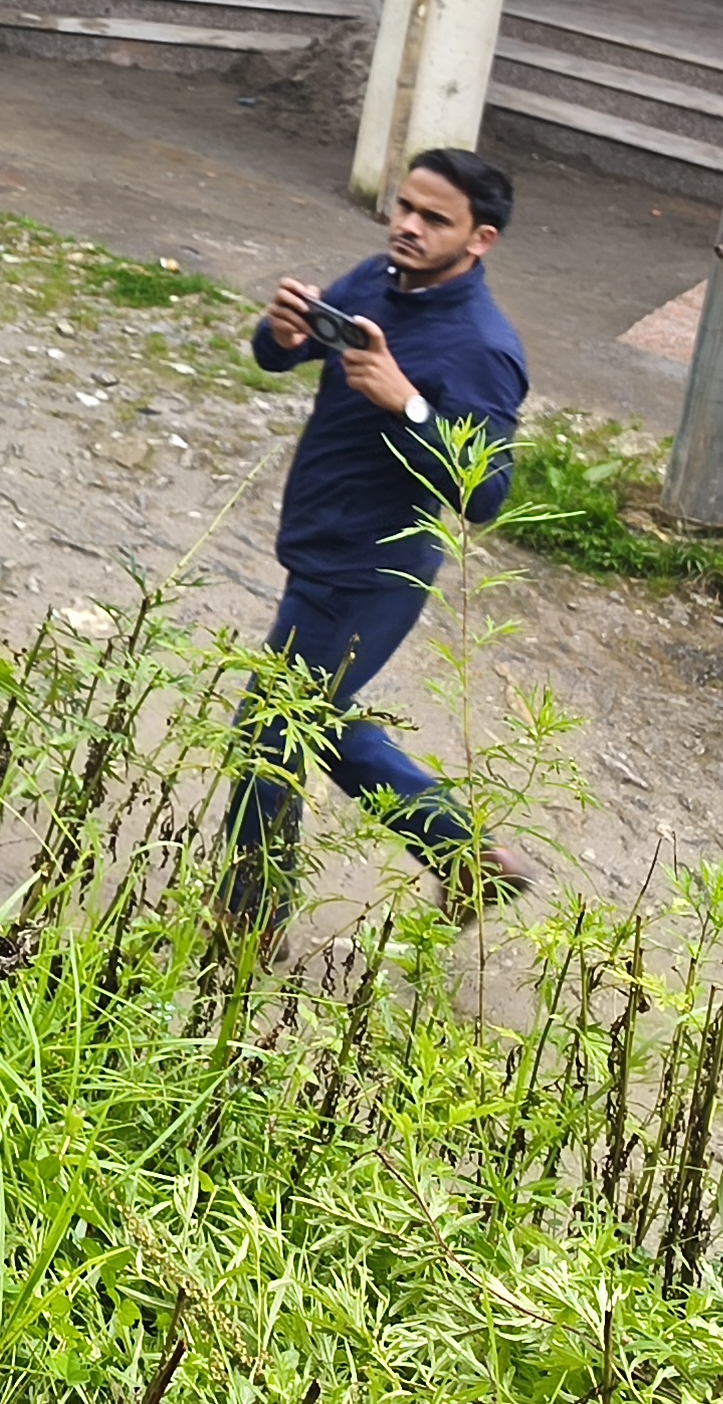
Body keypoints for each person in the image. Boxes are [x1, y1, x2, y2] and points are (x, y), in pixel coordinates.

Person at [228, 144, 533, 930]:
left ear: (480, 240)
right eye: (405, 207)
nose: (408, 226)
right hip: (322, 541)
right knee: (317, 719)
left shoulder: (483, 348)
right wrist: (282, 332)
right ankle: (465, 855)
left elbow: (487, 493)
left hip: (373, 567)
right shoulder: (376, 280)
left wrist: (411, 406)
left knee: (272, 729)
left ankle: (247, 917)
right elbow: (274, 357)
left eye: (435, 219)